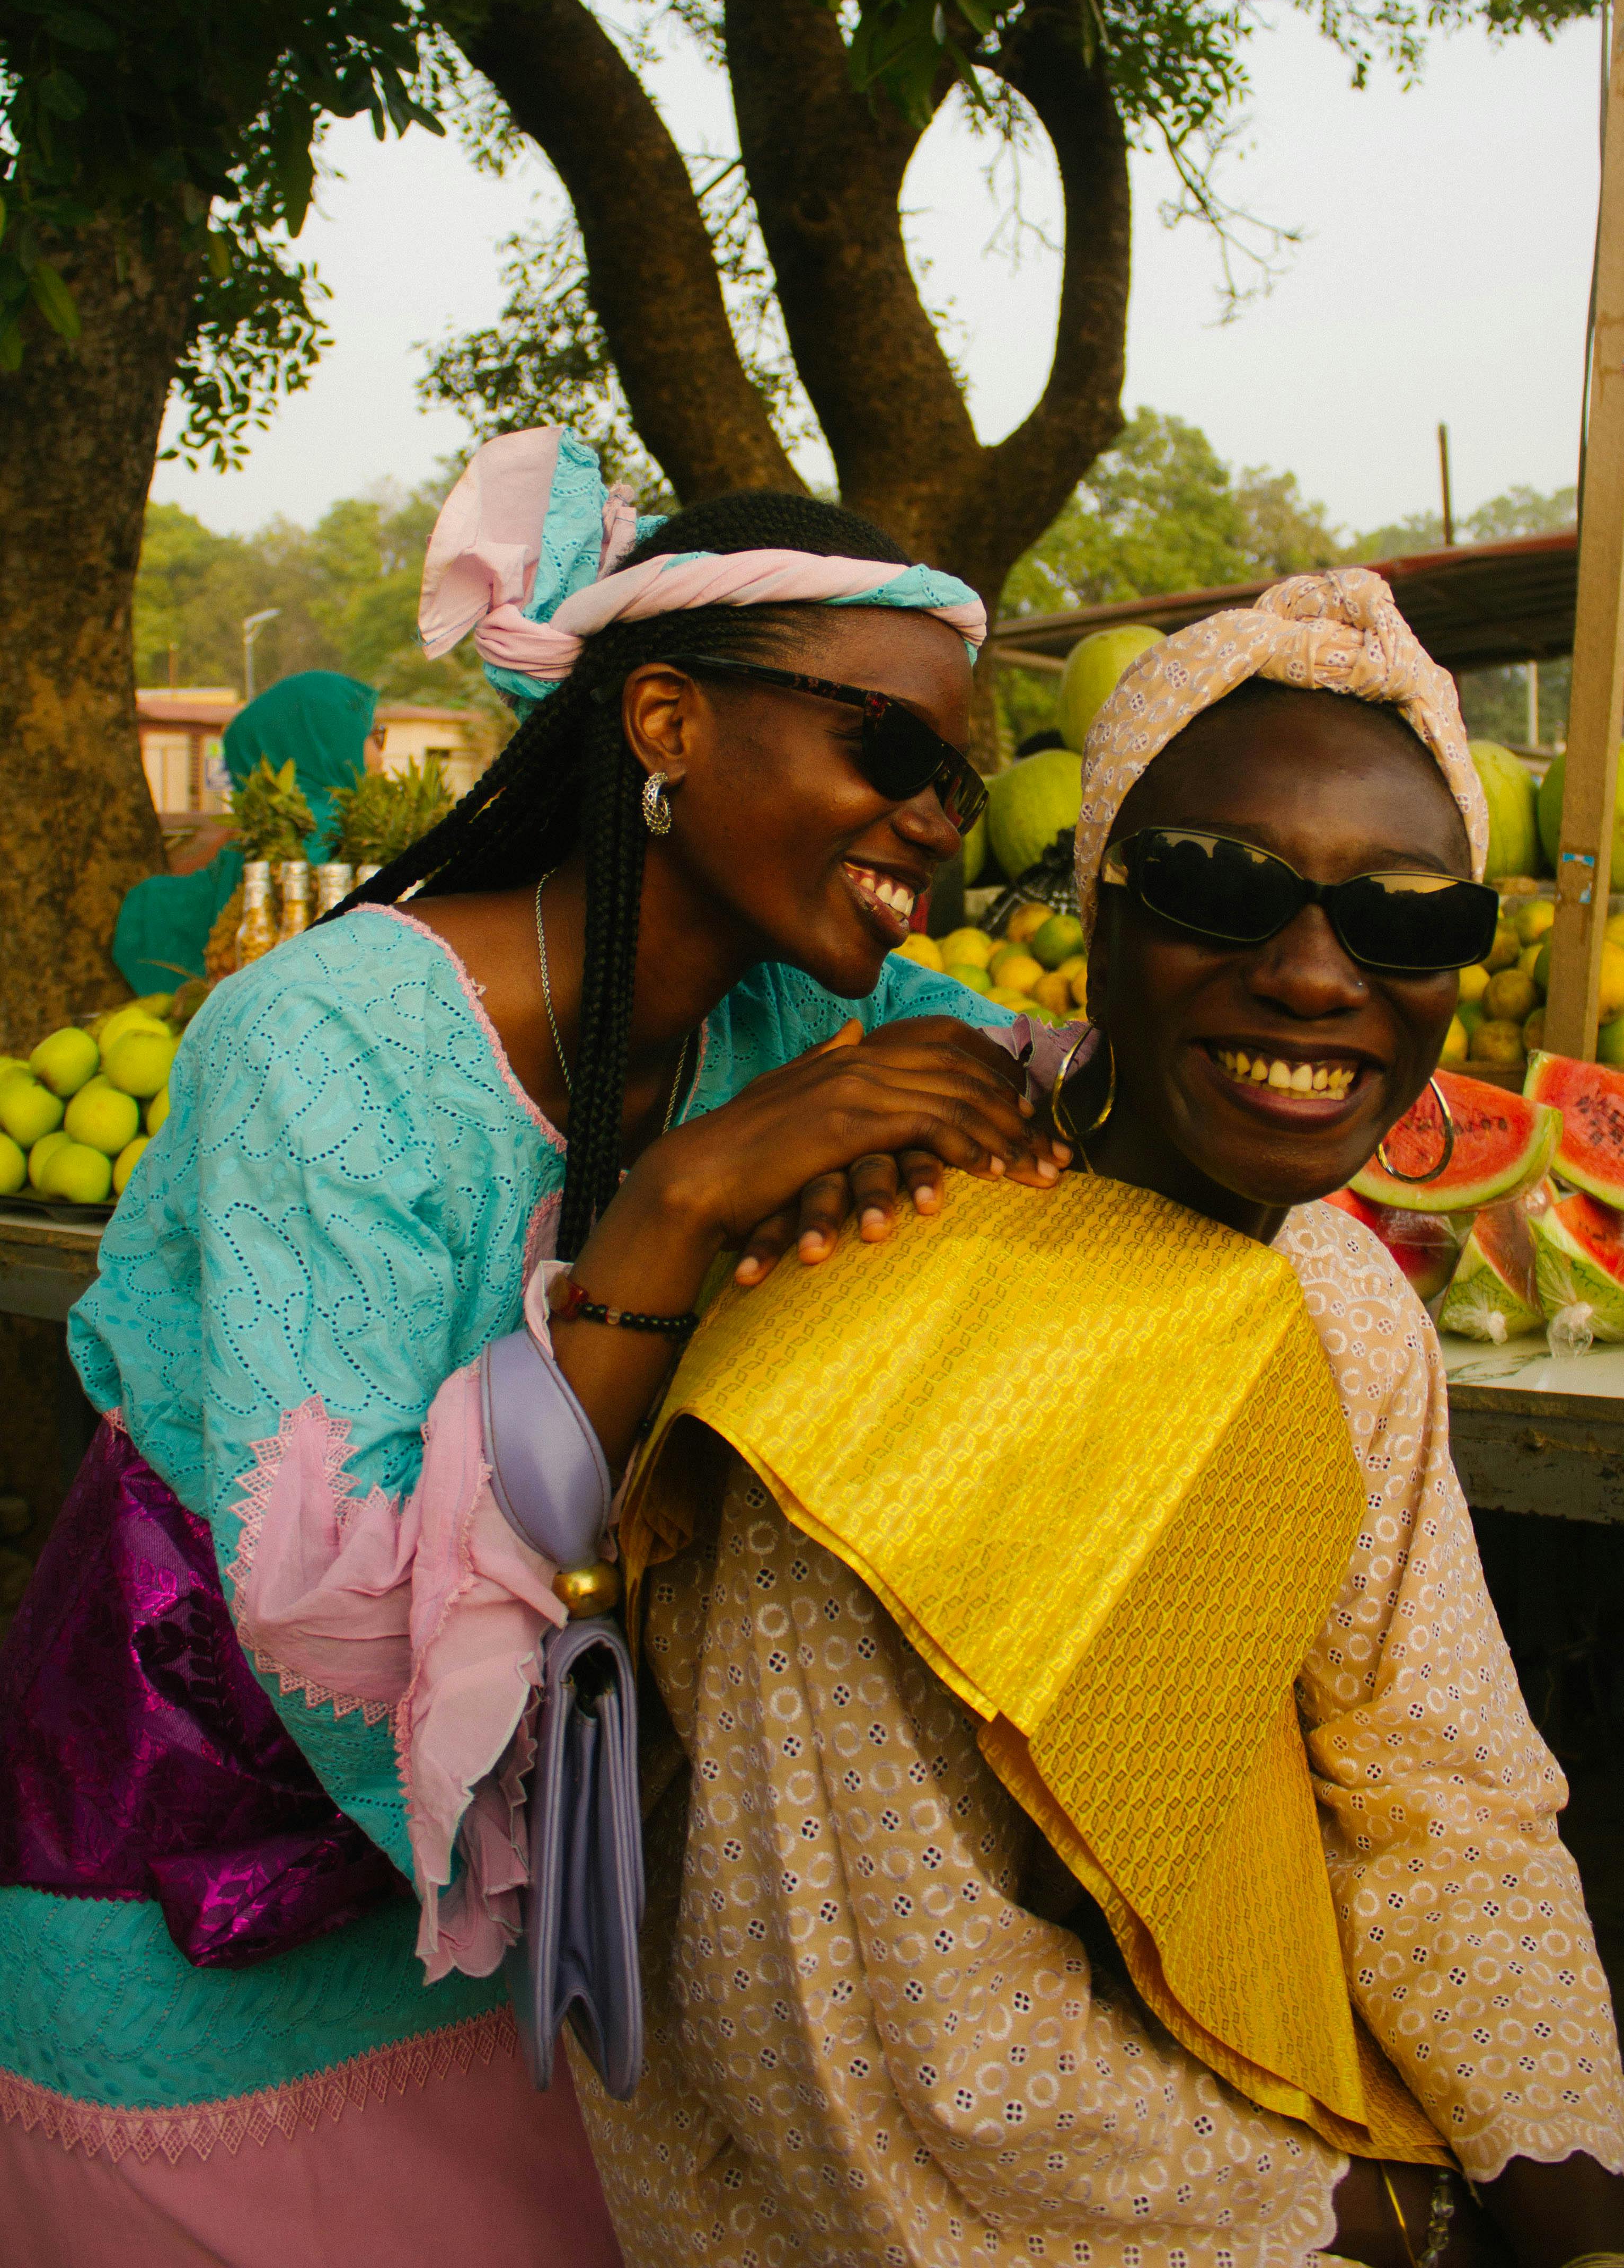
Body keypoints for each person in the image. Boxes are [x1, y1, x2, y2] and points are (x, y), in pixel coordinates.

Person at [528, 571, 1624, 2268]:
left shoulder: (1349, 1310)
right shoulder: (861, 1351)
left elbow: (1444, 1790)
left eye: (1409, 920)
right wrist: (1428, 2226)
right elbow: (899, 2061)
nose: (1310, 978)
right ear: (1099, 911)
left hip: (1284, 2092)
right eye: (1220, 889)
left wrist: (1566, 2184)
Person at [0, 432, 1064, 2264]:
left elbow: (1049, 1071)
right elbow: (325, 1609)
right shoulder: (319, 1048)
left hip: (534, 1901)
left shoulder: (804, 1004)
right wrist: (677, 1212)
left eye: (954, 790)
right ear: (661, 720)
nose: (927, 824)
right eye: (886, 752)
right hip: (202, 1907)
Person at [112, 669, 382, 995]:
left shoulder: (253, 840)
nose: (380, 751)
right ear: (329, 742)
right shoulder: (338, 838)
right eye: (374, 735)